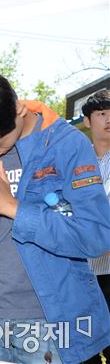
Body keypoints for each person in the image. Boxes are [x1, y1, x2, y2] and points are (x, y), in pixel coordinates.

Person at [0, 72, 110, 363]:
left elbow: (96, 236)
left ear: (17, 109)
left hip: (51, 321)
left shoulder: (66, 145)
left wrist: (13, 208)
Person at [82, 89, 110, 364]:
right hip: (80, 273)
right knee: (84, 347)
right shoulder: (75, 160)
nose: (109, 119)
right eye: (102, 113)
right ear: (88, 121)